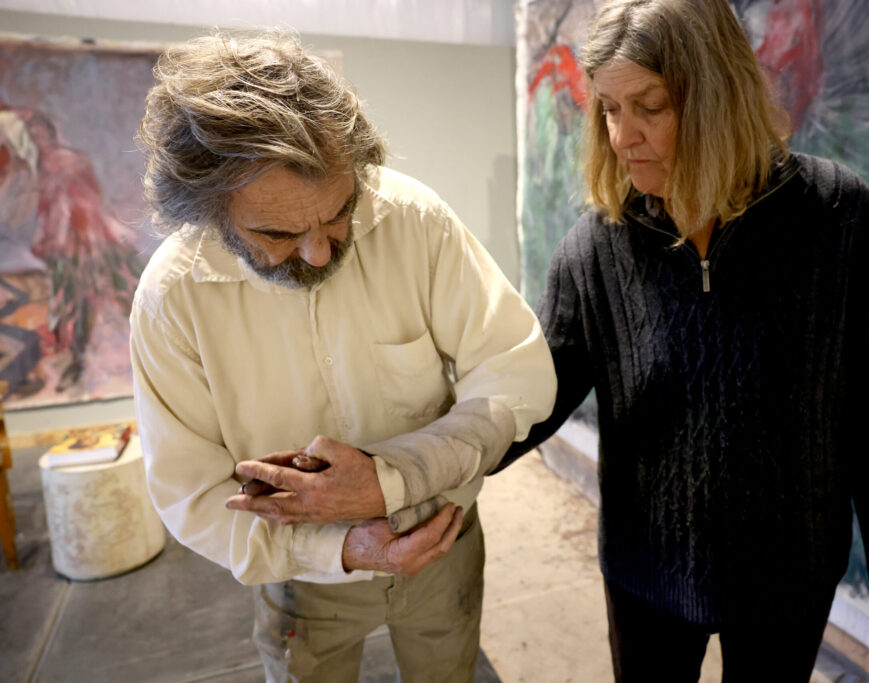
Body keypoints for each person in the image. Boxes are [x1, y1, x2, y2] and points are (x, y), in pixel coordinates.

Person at [496, 1, 869, 681]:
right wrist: (412, 471)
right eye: (610, 109)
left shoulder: (836, 217)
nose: (624, 136)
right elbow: (529, 398)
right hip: (646, 576)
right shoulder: (597, 248)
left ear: (716, 98)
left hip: (789, 581)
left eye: (651, 106)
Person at [130, 30, 555, 683]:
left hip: (443, 541)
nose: (321, 253)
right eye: (277, 233)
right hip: (300, 575)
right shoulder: (172, 297)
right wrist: (339, 546)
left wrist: (395, 478)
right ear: (209, 211)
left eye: (339, 213)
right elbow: (190, 495)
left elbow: (517, 374)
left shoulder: (413, 220)